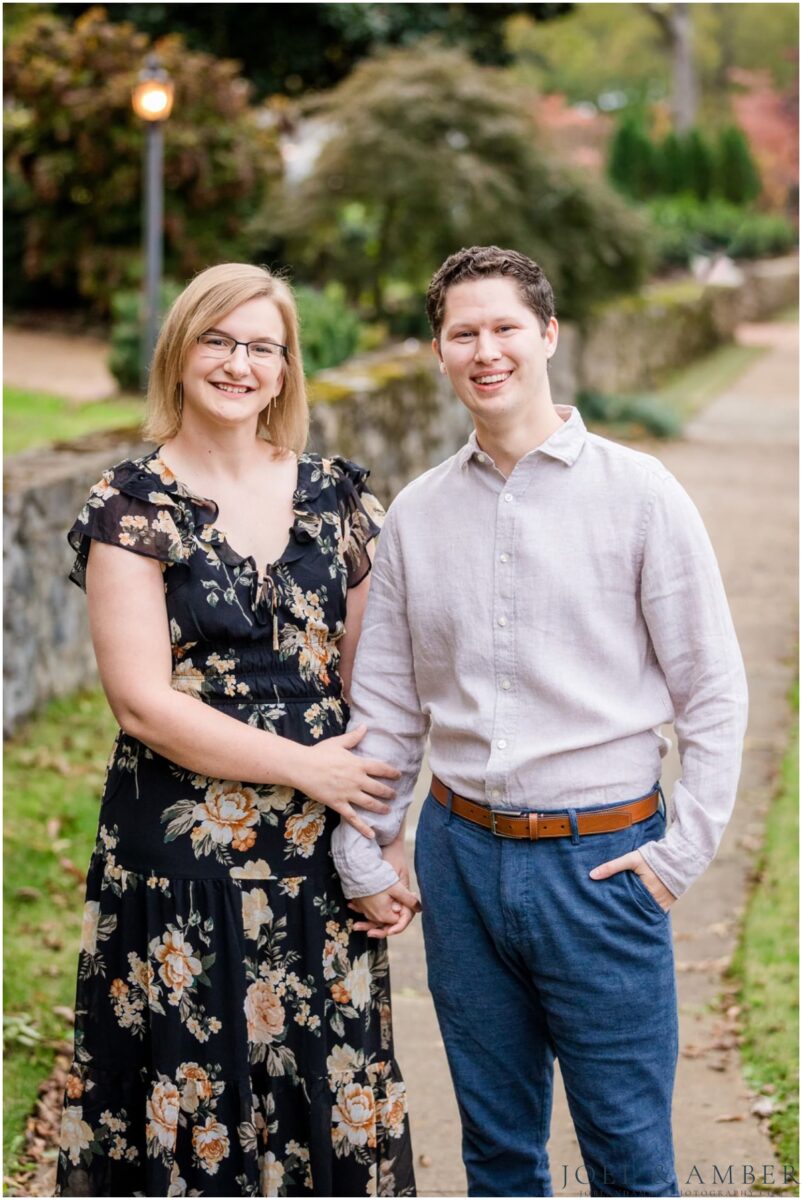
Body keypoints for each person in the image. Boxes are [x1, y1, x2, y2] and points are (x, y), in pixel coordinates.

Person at [331, 245, 749, 1198]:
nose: (487, 351)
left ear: (548, 334)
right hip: (462, 861)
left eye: (505, 327)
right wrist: (366, 850)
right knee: (500, 1157)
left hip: (600, 866)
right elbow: (388, 708)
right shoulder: (417, 517)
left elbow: (713, 691)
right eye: (462, 332)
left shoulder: (641, 494)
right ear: (438, 351)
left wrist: (681, 853)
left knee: (631, 1158)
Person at [56, 262, 418, 1198]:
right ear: (179, 352)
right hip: (180, 863)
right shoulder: (131, 505)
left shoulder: (338, 498)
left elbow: (373, 691)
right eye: (218, 340)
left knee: (324, 1098)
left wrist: (379, 843)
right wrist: (310, 769)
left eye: (263, 346)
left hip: (314, 862)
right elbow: (142, 702)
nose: (239, 362)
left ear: (287, 368)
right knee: (191, 1102)